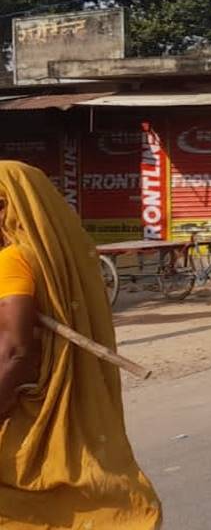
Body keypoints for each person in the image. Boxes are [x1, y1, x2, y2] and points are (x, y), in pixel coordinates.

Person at [0, 161, 163, 528]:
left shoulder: (13, 260)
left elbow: (15, 351)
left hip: (25, 401)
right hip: (61, 393)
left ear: (5, 205)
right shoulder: (65, 258)